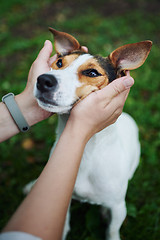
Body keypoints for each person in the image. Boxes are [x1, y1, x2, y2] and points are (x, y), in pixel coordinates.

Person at [0, 40, 134, 240]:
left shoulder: (113, 170)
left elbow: (118, 205)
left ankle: (112, 233)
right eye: (61, 64)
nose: (50, 78)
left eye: (90, 73)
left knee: (114, 203)